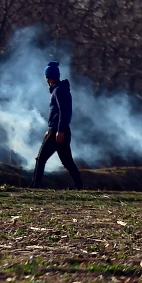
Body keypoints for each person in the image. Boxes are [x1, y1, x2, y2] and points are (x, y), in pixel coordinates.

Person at [30, 61, 83, 190]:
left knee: (40, 159)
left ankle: (34, 188)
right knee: (68, 162)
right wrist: (52, 129)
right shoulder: (60, 89)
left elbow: (64, 111)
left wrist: (59, 130)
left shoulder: (58, 91)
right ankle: (80, 187)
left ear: (48, 78)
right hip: (58, 130)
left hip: (58, 131)